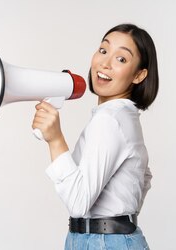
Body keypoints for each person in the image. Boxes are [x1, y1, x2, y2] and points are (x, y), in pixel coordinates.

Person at [32, 23, 158, 250]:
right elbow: (143, 177)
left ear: (139, 75)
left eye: (121, 59)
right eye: (103, 50)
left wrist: (55, 139)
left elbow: (79, 203)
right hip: (108, 239)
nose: (105, 63)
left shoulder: (110, 118)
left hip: (103, 242)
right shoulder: (124, 116)